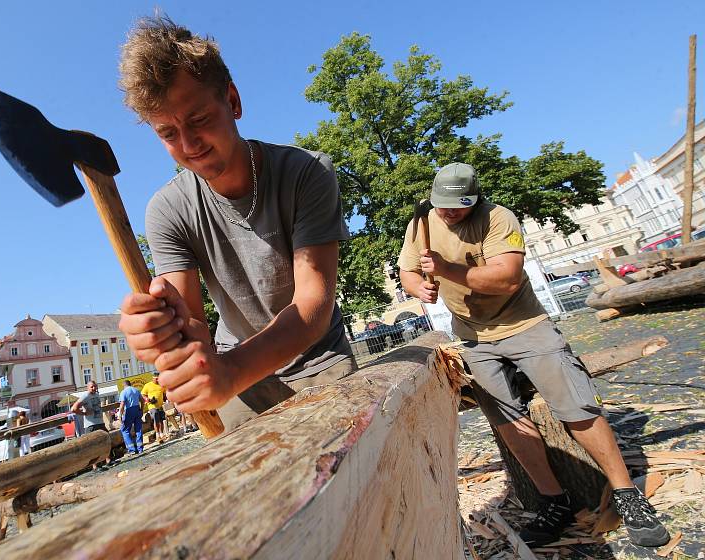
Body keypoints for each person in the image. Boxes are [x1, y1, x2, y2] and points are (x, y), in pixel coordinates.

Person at [398, 162, 670, 548]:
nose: (448, 213)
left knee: (576, 406)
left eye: (456, 207)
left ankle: (627, 495)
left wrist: (447, 269)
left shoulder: (498, 218)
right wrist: (417, 288)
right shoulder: (422, 221)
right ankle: (554, 502)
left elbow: (506, 279)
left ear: (474, 199)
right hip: (473, 337)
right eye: (442, 205)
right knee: (508, 420)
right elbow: (408, 270)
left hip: (526, 326)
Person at [116, 15, 355, 433]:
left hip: (320, 355)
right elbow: (192, 326)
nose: (189, 146)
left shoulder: (306, 173)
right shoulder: (168, 210)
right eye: (168, 133)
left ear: (233, 100)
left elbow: (313, 305)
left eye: (199, 120)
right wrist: (161, 332)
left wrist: (231, 371)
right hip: (237, 368)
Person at [71, 381, 111, 468]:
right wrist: (84, 413)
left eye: (95, 386)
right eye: (92, 387)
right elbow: (73, 409)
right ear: (88, 387)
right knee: (93, 445)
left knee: (105, 441)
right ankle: (95, 466)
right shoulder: (85, 396)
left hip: (100, 422)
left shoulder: (97, 395)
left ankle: (108, 460)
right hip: (91, 425)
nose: (94, 388)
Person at [118, 380, 144, 454]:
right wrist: (141, 410)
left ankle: (132, 449)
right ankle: (140, 449)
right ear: (130, 384)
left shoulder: (123, 392)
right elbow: (142, 400)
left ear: (124, 385)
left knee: (125, 430)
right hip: (137, 409)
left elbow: (122, 404)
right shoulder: (136, 390)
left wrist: (120, 415)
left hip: (129, 410)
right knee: (138, 429)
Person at [141, 373, 168, 441]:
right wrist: (148, 399)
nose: (158, 380)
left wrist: (166, 399)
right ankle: (157, 435)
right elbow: (143, 394)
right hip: (152, 405)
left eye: (159, 379)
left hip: (160, 405)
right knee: (156, 419)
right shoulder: (148, 385)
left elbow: (164, 394)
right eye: (156, 379)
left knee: (161, 420)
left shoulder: (161, 385)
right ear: (153, 378)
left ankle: (162, 434)